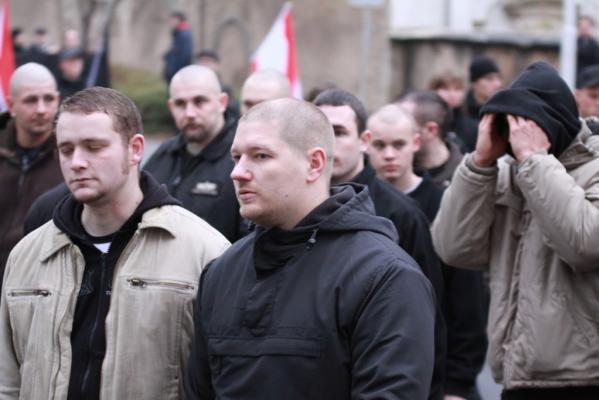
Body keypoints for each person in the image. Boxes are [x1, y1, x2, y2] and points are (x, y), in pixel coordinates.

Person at [185, 98, 435, 399]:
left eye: (260, 156)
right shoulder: (221, 272)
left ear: (314, 164)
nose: (238, 172)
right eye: (236, 157)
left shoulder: (385, 277)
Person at [0, 86, 230, 399]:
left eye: (93, 147)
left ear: (135, 149)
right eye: (66, 150)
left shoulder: (204, 251)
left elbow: (219, 382)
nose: (77, 162)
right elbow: (8, 380)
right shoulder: (28, 255)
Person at [432, 61, 599, 400]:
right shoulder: (507, 172)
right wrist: (479, 164)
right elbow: (453, 247)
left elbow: (585, 244)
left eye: (525, 124)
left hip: (586, 377)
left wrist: (535, 160)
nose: (516, 135)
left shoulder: (593, 169)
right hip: (516, 376)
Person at [313, 88, 445, 400]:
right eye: (321, 131)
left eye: (340, 132)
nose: (330, 142)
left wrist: (453, 384)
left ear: (363, 140)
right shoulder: (293, 208)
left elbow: (435, 309)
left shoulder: (403, 213)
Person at [367, 102, 487, 400]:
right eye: (380, 145)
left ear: (416, 143)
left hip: (442, 371)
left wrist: (458, 384)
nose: (390, 154)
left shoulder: (443, 204)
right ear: (366, 143)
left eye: (399, 144)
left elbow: (467, 299)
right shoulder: (359, 205)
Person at [144, 65, 245, 242]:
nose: (189, 113)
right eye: (180, 104)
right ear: (170, 106)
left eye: (199, 101)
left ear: (222, 103)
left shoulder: (242, 160)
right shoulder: (163, 155)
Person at [0, 62, 62, 287]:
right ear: (11, 104)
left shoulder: (71, 158)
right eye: (30, 100)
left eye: (49, 99)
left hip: (43, 289)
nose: (41, 109)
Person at [457, 56, 502, 152]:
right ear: (475, 82)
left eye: (498, 78)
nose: (497, 84)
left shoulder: (503, 111)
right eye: (490, 79)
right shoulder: (459, 112)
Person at [163, 11, 193, 83]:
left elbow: (184, 56)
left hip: (177, 73)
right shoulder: (179, 33)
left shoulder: (183, 35)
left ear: (179, 20)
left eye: (172, 20)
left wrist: (175, 72)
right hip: (176, 72)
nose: (170, 22)